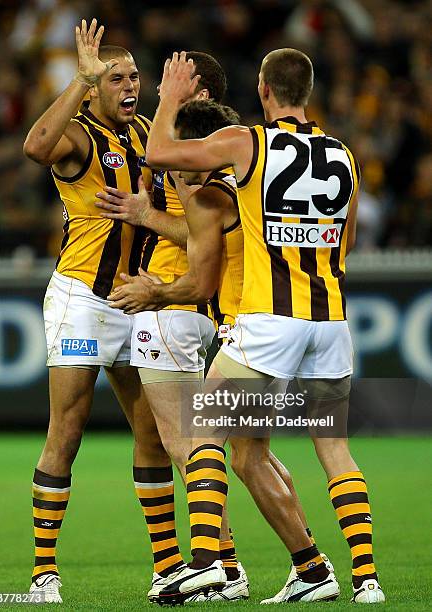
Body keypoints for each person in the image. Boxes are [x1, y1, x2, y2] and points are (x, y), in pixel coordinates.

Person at [142, 49, 385, 604]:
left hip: (270, 320)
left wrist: (170, 97)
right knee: (312, 450)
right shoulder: (345, 155)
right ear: (310, 90)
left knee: (203, 427)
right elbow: (344, 243)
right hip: (329, 321)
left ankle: (205, 563)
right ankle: (347, 577)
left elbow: (159, 153)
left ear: (263, 89)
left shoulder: (251, 142)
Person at [108, 99, 335, 605]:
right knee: (251, 457)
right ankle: (312, 568)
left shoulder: (209, 195)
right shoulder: (244, 189)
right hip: (274, 327)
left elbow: (201, 278)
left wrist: (156, 292)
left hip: (242, 333)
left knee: (192, 441)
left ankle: (216, 567)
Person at [94, 53, 251, 602]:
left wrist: (143, 215)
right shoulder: (216, 144)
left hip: (173, 301)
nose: (159, 88)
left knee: (185, 441)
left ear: (196, 89)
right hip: (201, 308)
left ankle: (219, 567)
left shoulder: (195, 148)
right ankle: (286, 562)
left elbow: (205, 235)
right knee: (240, 450)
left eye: (171, 81)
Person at [22, 19, 170, 603]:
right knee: (69, 427)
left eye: (135, 75)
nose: (131, 85)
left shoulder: (143, 138)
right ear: (94, 87)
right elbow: (35, 147)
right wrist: (78, 82)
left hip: (135, 298)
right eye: (117, 78)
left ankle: (166, 567)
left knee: (153, 433)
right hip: (83, 299)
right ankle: (43, 573)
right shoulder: (80, 136)